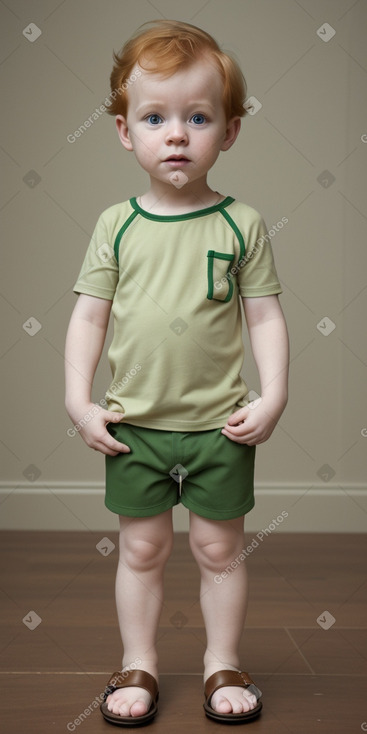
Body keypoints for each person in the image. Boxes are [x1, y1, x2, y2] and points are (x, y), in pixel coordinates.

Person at [64, 19, 289, 727]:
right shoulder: (116, 225)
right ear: (125, 131)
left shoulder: (241, 223)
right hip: (136, 424)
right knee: (142, 545)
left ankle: (223, 661)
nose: (176, 135)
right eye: (155, 118)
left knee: (219, 547)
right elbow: (89, 318)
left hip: (219, 423)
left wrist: (274, 393)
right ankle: (140, 662)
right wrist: (78, 399)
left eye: (197, 117)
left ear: (228, 132)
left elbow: (264, 318)